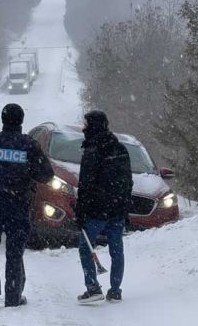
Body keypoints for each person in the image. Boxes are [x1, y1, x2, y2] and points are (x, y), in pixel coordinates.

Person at [0, 103, 54, 309]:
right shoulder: (29, 145)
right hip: (18, 206)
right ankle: (13, 296)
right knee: (15, 252)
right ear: (21, 121)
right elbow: (46, 175)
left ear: (3, 119)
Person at [74, 110, 133, 304]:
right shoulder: (120, 149)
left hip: (96, 211)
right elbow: (127, 181)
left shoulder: (92, 151)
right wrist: (124, 206)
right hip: (116, 210)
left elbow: (86, 185)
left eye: (86, 124)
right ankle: (115, 290)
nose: (83, 128)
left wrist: (80, 211)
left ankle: (93, 288)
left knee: (85, 247)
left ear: (92, 126)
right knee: (117, 250)